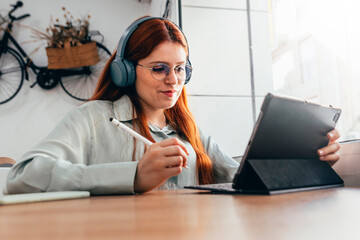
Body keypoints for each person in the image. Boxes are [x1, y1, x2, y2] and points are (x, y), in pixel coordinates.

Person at [5, 16, 341, 195]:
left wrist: (303, 158)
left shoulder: (193, 136)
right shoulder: (93, 119)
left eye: (180, 69)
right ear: (125, 71)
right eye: (159, 69)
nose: (173, 80)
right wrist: (133, 175)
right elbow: (22, 176)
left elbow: (246, 180)